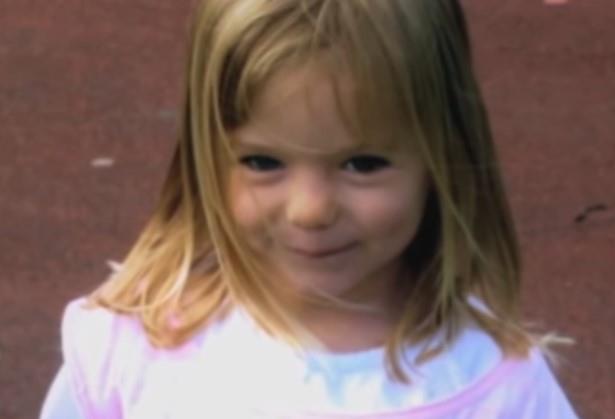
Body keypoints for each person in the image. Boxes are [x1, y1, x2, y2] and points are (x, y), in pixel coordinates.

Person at [40, 0, 579, 417]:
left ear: (445, 158)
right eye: (263, 162)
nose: (310, 210)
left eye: (363, 164)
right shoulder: (133, 351)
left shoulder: (498, 387)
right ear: (206, 157)